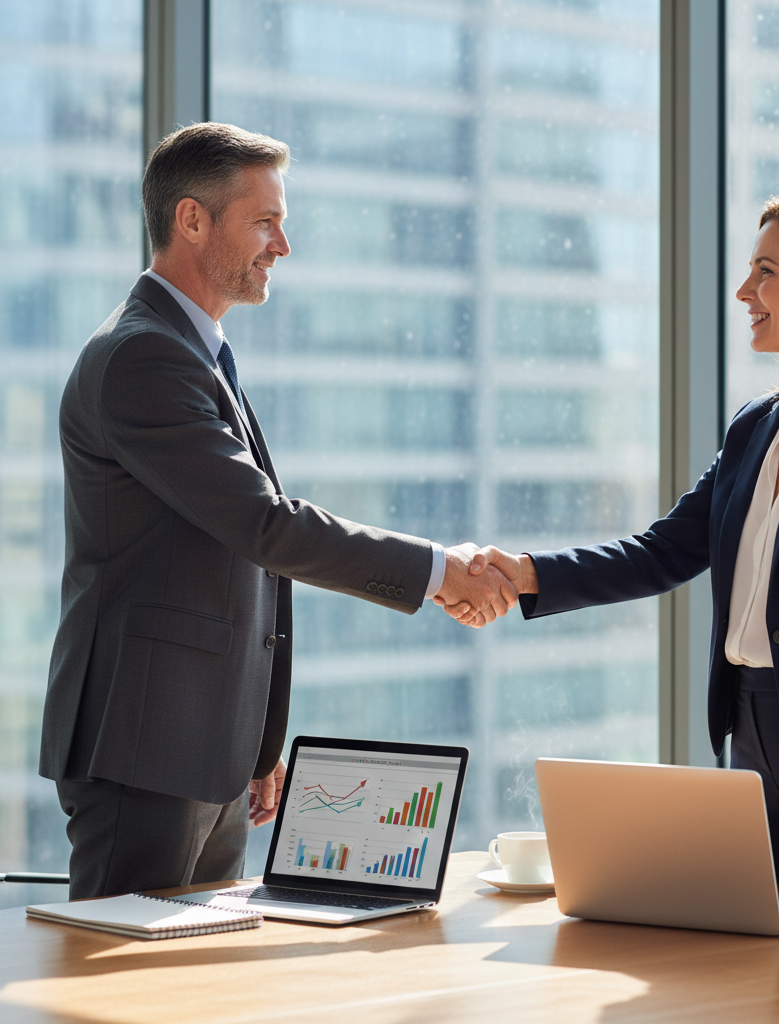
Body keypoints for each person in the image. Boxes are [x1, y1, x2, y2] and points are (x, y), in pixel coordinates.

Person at [41, 122, 516, 899]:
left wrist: (257, 745)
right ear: (192, 219)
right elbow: (264, 524)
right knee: (123, 997)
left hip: (202, 746)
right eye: (265, 221)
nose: (282, 246)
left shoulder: (194, 352)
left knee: (203, 992)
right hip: (142, 744)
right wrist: (438, 571)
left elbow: (233, 560)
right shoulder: (142, 355)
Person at [443, 194, 779, 898]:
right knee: (755, 964)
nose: (745, 291)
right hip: (752, 737)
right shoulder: (755, 427)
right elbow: (664, 551)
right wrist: (526, 573)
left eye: (765, 271)